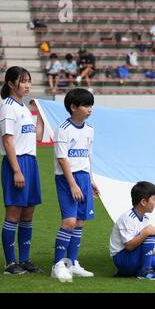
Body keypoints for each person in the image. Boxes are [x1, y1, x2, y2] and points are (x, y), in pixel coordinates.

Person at [0, 66, 45, 274]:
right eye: (23, 81)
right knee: (14, 212)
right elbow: (8, 142)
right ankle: (10, 264)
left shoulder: (24, 108)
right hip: (16, 163)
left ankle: (24, 260)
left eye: (29, 81)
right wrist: (16, 170)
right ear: (10, 84)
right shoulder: (8, 107)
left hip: (31, 163)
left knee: (28, 212)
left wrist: (41, 114)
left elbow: (37, 137)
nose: (27, 85)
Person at [50, 88, 99, 282]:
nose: (90, 109)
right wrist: (73, 185)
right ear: (73, 107)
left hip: (84, 178)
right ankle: (57, 265)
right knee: (69, 222)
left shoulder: (90, 130)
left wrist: (91, 180)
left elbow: (88, 157)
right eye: (86, 105)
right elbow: (62, 159)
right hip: (67, 179)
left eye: (91, 105)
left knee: (79, 222)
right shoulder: (63, 129)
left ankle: (72, 262)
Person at [110, 181, 155, 280]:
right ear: (144, 202)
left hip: (137, 256)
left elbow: (147, 247)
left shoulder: (145, 219)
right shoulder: (127, 218)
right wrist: (146, 233)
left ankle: (143, 271)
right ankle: (144, 271)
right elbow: (129, 246)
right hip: (123, 258)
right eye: (153, 199)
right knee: (150, 231)